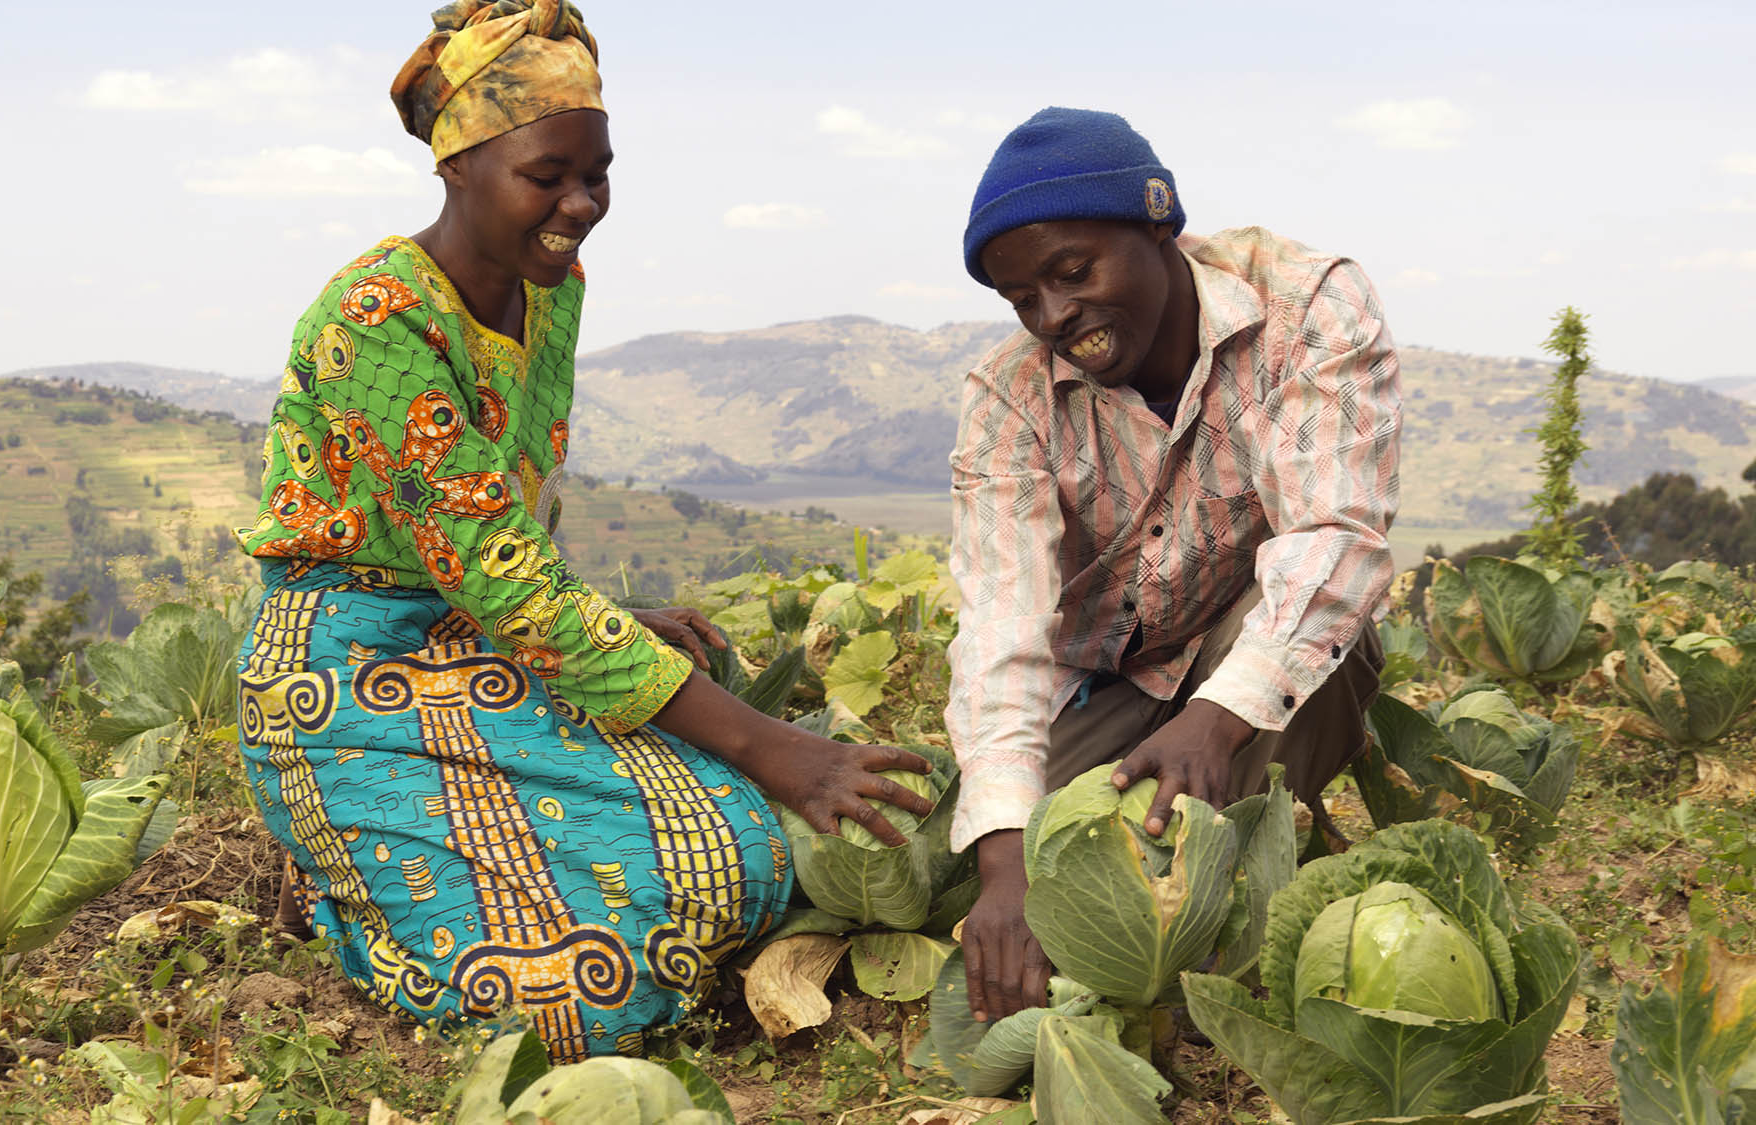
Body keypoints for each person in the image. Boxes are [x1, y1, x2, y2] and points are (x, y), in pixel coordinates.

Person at [234, 0, 933, 1062]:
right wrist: (777, 748)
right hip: (340, 665)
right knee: (576, 998)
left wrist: (605, 618)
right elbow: (500, 578)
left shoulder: (545, 287)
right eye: (545, 174)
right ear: (456, 167)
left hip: (471, 637)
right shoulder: (376, 320)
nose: (579, 204)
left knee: (738, 860)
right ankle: (347, 882)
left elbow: (505, 533)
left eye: (595, 173)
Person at [945, 108, 1400, 1023]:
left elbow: (1333, 537)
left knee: (1299, 690)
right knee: (982, 874)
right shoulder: (1011, 394)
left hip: (1241, 656)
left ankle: (1253, 878)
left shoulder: (1307, 307)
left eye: (1073, 272)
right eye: (1023, 298)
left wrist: (1215, 719)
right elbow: (1002, 624)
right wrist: (1003, 859)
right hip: (1103, 678)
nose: (1055, 315)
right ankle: (1224, 848)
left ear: (1161, 223)